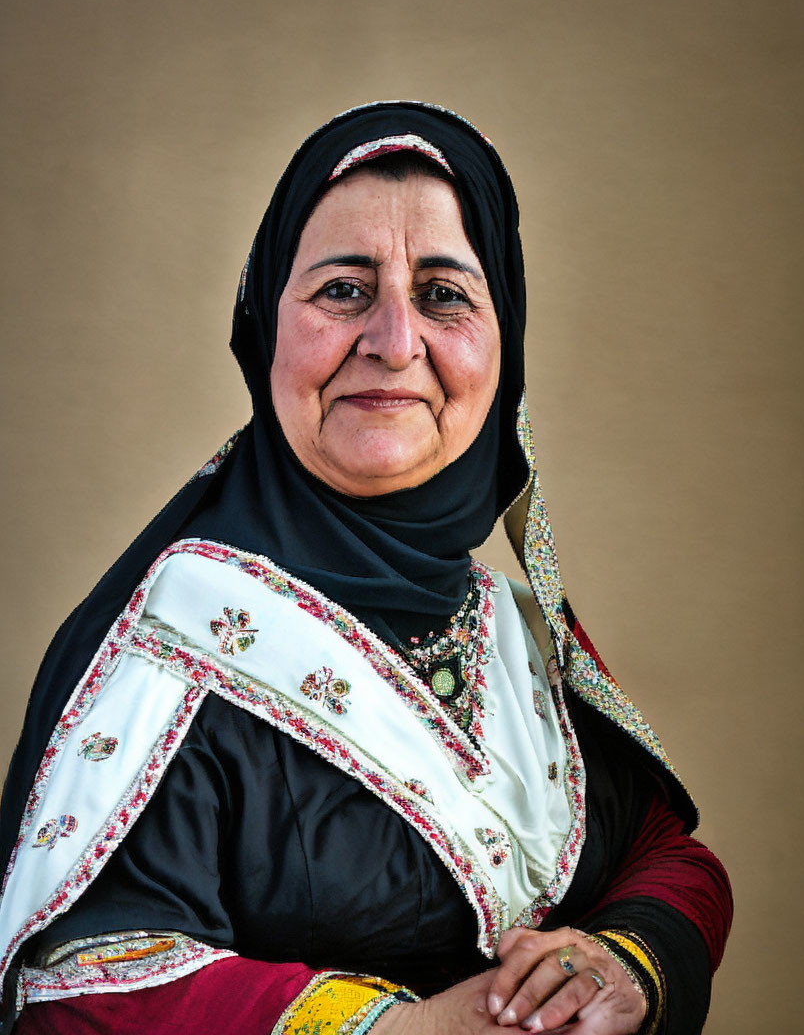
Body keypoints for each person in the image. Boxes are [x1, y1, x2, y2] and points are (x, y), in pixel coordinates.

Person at [0, 103, 732, 1035]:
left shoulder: (512, 627)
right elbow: (82, 986)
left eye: (445, 293)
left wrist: (625, 960)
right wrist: (399, 1032)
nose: (393, 340)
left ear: (505, 349)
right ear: (265, 326)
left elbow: (671, 855)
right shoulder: (175, 639)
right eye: (343, 290)